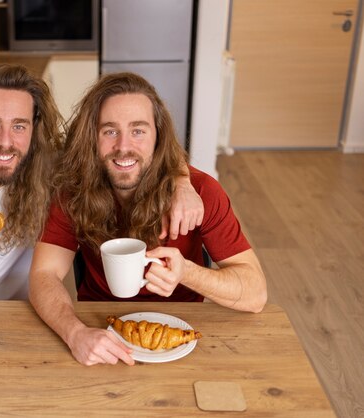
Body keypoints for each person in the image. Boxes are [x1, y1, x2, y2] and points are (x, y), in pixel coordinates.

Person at [0, 64, 202, 312]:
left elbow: (125, 153)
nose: (5, 142)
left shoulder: (49, 169)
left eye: (19, 126)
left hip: (21, 318)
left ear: (34, 129)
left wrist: (181, 179)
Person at [28, 72, 267, 366]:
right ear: (91, 137)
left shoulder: (202, 191)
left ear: (158, 137)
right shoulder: (72, 193)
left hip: (184, 331)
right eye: (109, 131)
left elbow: (255, 293)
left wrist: (188, 273)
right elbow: (43, 275)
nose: (123, 146)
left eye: (138, 131)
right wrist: (75, 332)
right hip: (100, 329)